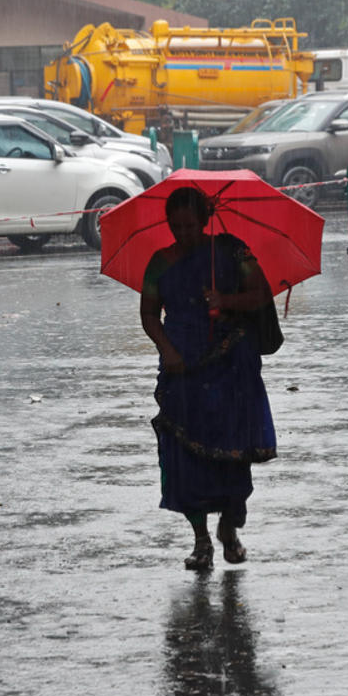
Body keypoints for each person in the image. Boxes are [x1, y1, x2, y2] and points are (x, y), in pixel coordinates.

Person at [141, 186, 277, 570]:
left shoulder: (232, 252)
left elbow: (261, 294)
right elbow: (150, 313)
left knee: (234, 457)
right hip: (182, 368)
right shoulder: (160, 262)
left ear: (204, 220)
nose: (183, 233)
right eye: (176, 226)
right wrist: (167, 349)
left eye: (190, 225)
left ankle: (230, 529)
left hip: (231, 368)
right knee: (184, 459)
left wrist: (226, 301)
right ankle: (201, 540)